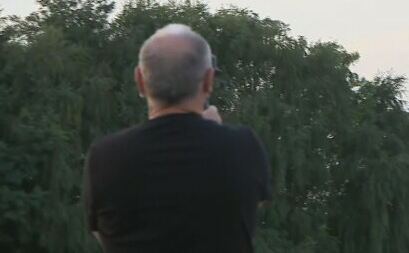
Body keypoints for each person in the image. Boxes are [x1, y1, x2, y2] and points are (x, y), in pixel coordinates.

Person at [83, 24, 271, 253]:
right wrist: (213, 132)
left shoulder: (104, 157)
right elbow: (247, 207)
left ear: (140, 81)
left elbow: (104, 233)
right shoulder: (243, 146)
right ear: (208, 80)